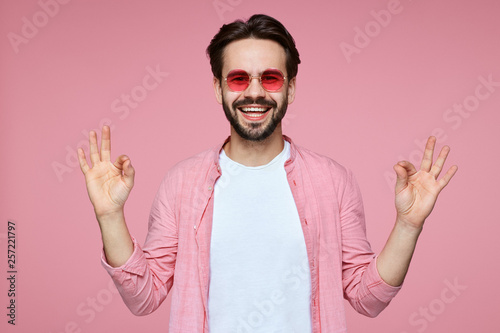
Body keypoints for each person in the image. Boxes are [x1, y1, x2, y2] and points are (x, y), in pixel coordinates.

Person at [78, 14, 457, 333]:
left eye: (270, 79)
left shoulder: (332, 180)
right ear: (218, 89)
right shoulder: (181, 183)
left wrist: (408, 225)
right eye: (239, 79)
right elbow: (144, 297)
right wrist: (110, 215)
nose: (254, 93)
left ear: (290, 89)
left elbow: (367, 297)